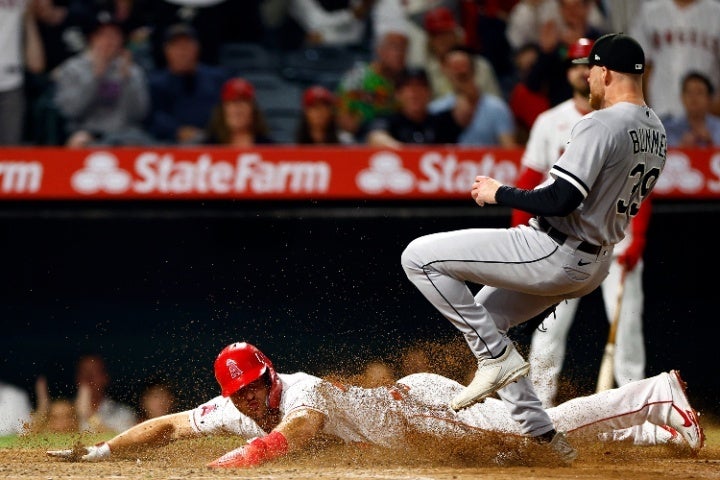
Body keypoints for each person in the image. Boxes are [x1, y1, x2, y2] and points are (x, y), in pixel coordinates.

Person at [400, 33, 665, 458]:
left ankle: (497, 360)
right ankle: (543, 435)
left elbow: (561, 198)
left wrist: (498, 191)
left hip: (556, 248)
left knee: (418, 257)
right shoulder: (655, 129)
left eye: (591, 69)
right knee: (485, 320)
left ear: (605, 72)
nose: (587, 77)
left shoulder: (601, 122)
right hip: (593, 263)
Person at [47, 341, 703, 468]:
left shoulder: (294, 392)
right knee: (519, 457)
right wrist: (97, 450)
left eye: (256, 384)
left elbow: (300, 430)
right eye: (240, 392)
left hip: (424, 409)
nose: (250, 396)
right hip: (409, 417)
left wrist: (237, 463)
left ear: (269, 375)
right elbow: (164, 426)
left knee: (534, 433)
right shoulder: (233, 408)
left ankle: (656, 394)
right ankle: (650, 431)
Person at [510, 37, 651, 406]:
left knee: (627, 327)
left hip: (616, 239)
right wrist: (516, 232)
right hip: (561, 240)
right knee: (550, 325)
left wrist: (639, 239)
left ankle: (632, 403)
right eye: (576, 63)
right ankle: (541, 400)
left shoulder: (628, 120)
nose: (582, 70)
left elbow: (642, 188)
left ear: (604, 72)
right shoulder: (550, 120)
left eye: (587, 63)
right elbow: (529, 181)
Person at [52, 10, 152, 147]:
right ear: (91, 39)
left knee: (137, 144)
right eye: (102, 35)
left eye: (114, 35)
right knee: (78, 142)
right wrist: (95, 77)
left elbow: (139, 114)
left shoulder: (132, 70)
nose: (108, 41)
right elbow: (71, 111)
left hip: (125, 132)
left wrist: (127, 81)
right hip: (86, 130)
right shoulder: (73, 69)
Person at [629, 0, 720, 120]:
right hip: (659, 111)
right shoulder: (649, 10)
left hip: (705, 121)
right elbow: (639, 66)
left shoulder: (716, 12)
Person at [145, 23, 230, 145]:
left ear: (197, 48)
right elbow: (152, 118)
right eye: (176, 46)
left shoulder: (218, 79)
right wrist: (177, 131)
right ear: (166, 50)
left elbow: (225, 111)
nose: (182, 51)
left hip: (214, 143)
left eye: (187, 45)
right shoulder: (155, 83)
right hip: (170, 145)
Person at [428, 46, 517, 147]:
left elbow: (509, 149)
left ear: (473, 69)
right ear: (446, 71)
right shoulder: (436, 109)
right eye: (454, 67)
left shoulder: (497, 108)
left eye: (463, 66)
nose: (460, 72)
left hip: (486, 161)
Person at [335, 26, 409, 142]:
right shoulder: (358, 78)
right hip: (363, 137)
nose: (400, 54)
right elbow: (345, 121)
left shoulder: (409, 80)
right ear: (380, 50)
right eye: (395, 48)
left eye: (404, 49)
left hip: (400, 134)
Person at [412, 6, 501, 100]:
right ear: (430, 41)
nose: (442, 40)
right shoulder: (426, 73)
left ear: (455, 35)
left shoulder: (480, 65)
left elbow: (496, 102)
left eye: (446, 33)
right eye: (436, 35)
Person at [365, 67, 464, 148]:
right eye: (409, 88)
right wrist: (409, 154)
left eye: (420, 87)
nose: (415, 94)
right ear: (398, 94)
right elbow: (376, 137)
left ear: (429, 93)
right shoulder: (387, 120)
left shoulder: (442, 121)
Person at [0, 0, 45, 145]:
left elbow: (36, 65)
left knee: (10, 148)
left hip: (11, 81)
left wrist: (29, 17)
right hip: (12, 83)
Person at [74, 353, 138, 433]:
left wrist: (89, 416)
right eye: (84, 372)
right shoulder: (64, 412)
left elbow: (121, 440)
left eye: (94, 372)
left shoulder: (123, 413)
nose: (88, 377)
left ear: (105, 378)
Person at [204, 77, 274, 146]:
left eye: (243, 102)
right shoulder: (208, 147)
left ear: (253, 109)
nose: (237, 109)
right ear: (222, 110)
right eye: (231, 102)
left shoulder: (269, 147)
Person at [664, 71, 720, 148]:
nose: (694, 98)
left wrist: (711, 142)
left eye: (699, 92)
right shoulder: (669, 128)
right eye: (689, 92)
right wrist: (681, 146)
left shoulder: (718, 127)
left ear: (709, 99)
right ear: (682, 97)